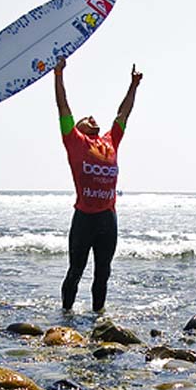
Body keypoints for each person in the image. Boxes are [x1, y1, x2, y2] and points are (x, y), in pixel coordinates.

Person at [53, 56, 142, 312]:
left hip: (107, 218)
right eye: (86, 118)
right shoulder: (74, 140)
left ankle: (98, 318)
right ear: (77, 127)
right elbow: (63, 106)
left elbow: (123, 113)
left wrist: (133, 86)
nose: (91, 117)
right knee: (76, 270)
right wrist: (58, 75)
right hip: (84, 218)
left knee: (103, 272)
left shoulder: (111, 140)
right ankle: (66, 316)